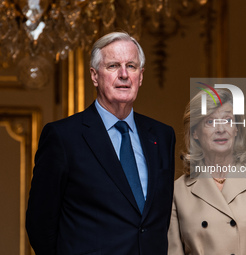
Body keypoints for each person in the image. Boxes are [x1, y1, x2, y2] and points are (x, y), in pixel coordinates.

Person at [26, 32, 176, 255]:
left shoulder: (163, 136)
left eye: (131, 66)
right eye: (113, 66)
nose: (124, 74)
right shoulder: (63, 137)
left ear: (141, 76)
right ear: (95, 76)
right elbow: (40, 225)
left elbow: (156, 221)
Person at [168, 88, 246, 255]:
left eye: (228, 120)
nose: (221, 129)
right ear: (195, 132)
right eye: (210, 122)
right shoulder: (177, 192)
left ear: (237, 128)